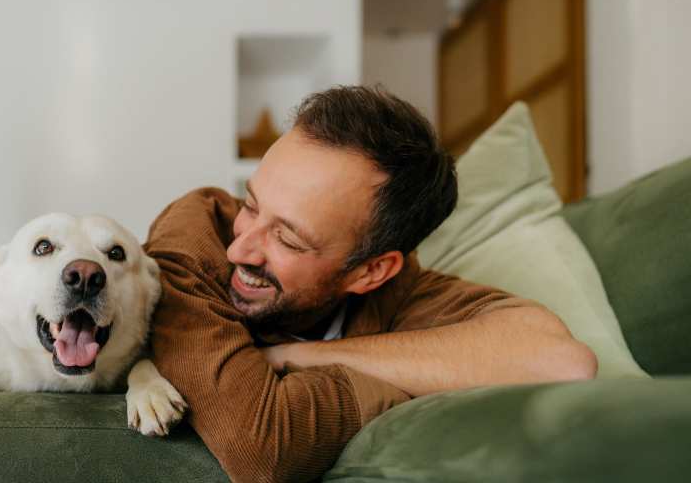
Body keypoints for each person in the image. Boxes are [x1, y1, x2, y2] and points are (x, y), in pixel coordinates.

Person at [144, 85, 597, 483]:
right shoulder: (194, 235)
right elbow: (263, 448)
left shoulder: (400, 291)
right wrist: (396, 385)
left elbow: (563, 362)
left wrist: (297, 356)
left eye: (287, 237)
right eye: (251, 204)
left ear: (372, 272)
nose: (240, 249)